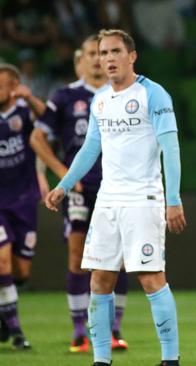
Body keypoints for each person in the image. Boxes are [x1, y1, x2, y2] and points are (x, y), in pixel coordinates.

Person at [44, 29, 186, 366]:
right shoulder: (101, 99)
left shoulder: (154, 94)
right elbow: (90, 148)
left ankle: (170, 360)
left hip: (143, 198)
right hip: (108, 201)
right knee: (99, 278)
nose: (107, 59)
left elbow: (171, 148)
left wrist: (174, 198)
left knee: (151, 278)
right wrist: (63, 185)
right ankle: (101, 360)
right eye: (103, 53)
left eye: (114, 52)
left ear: (131, 55)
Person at [31, 35, 130, 353]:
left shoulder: (123, 93)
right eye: (91, 53)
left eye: (101, 53)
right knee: (78, 256)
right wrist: (63, 174)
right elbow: (37, 137)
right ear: (82, 60)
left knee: (120, 258)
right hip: (81, 189)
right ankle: (79, 331)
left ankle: (114, 329)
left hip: (116, 186)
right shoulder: (65, 96)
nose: (97, 59)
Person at [0, 63, 47, 350]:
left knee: (21, 271)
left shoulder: (24, 112)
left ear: (14, 86)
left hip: (25, 199)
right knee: (2, 261)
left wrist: (29, 98)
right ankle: (17, 330)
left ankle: (3, 313)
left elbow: (51, 120)